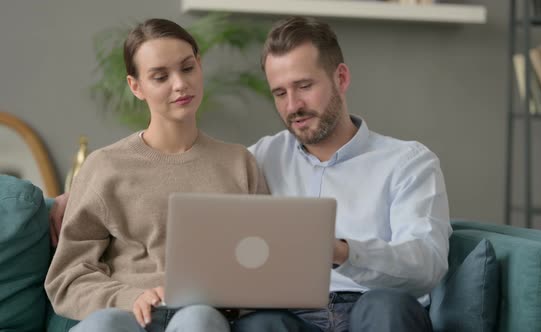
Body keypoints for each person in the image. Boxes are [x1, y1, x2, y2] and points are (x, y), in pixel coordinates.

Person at [50, 16, 451, 332]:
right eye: (280, 92)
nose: (293, 105)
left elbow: (427, 264)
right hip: (289, 316)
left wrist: (342, 251)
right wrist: (69, 197)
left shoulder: (406, 162)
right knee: (259, 323)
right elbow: (164, 181)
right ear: (136, 86)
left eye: (304, 86)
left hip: (374, 307)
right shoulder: (260, 157)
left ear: (341, 78)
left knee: (384, 305)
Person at [44, 18, 267, 332]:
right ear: (136, 87)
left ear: (200, 66)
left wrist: (225, 298)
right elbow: (68, 277)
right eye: (160, 76)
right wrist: (131, 297)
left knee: (198, 320)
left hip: (204, 314)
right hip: (126, 314)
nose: (180, 84)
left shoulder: (239, 162)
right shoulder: (104, 166)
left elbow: (262, 265)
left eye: (187, 68)